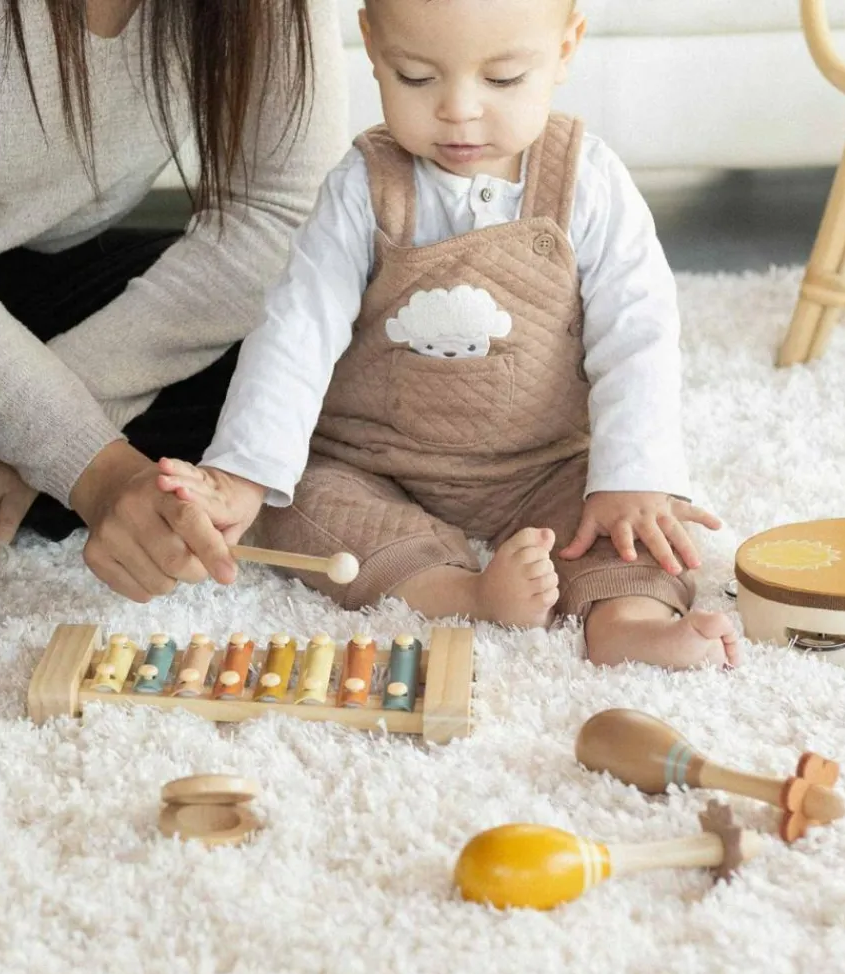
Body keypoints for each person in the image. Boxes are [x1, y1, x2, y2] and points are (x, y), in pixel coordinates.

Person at [156, 0, 741, 670]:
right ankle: (460, 592)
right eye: (416, 76)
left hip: (546, 466)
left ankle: (628, 622)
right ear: (373, 45)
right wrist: (242, 473)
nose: (459, 110)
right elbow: (297, 329)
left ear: (565, 48)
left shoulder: (591, 182)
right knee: (303, 507)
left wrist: (632, 477)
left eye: (502, 79)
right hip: (376, 464)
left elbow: (639, 336)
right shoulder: (363, 187)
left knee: (632, 524)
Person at [0, 0, 347, 597]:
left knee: (303, 368)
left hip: (34, 277)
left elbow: (278, 213)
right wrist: (96, 468)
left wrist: (29, 428)